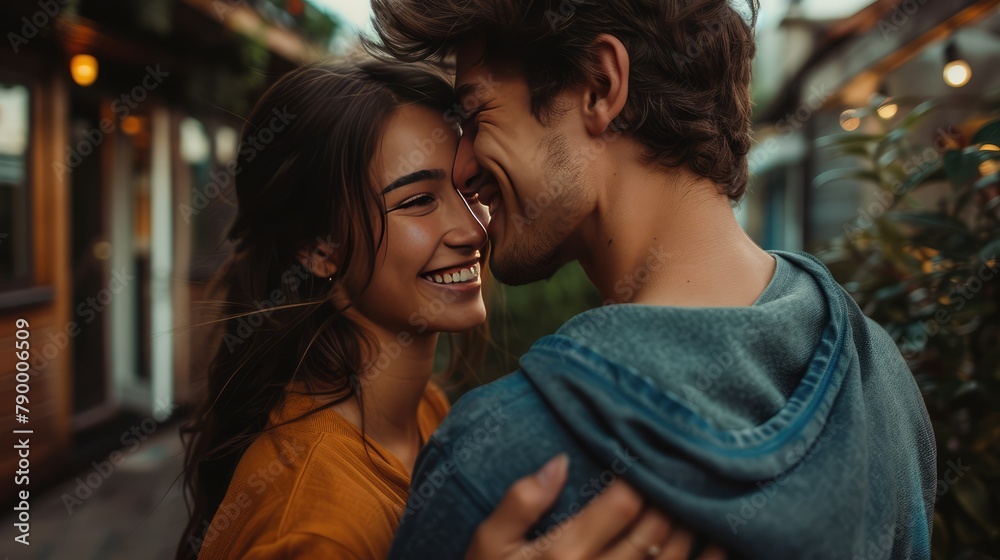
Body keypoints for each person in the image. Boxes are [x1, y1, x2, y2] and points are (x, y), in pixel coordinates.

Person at [365, 0, 938, 558]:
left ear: (599, 85)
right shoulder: (882, 381)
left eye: (476, 114)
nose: (462, 167)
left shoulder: (498, 463)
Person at [175, 59, 709, 560]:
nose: (473, 229)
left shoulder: (422, 413)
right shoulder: (315, 521)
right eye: (418, 201)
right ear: (318, 248)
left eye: (469, 188)